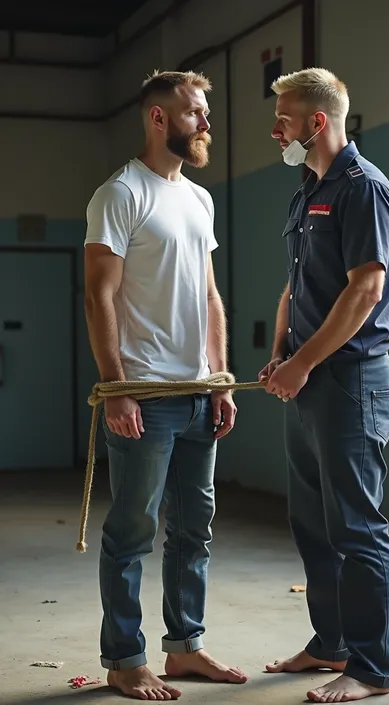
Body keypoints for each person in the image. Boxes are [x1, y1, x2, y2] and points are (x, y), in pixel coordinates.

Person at [84, 69, 248, 701]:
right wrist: (116, 386)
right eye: (195, 112)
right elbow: (99, 296)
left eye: (204, 111)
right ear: (159, 119)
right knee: (131, 533)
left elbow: (208, 298)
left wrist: (221, 381)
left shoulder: (198, 199)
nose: (206, 121)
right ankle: (126, 659)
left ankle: (184, 649)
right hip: (145, 399)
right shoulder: (120, 194)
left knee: (193, 528)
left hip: (198, 394)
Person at [259, 68, 389, 703]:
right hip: (308, 377)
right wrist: (279, 353)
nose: (276, 130)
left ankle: (370, 669)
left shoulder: (362, 189)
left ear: (317, 122)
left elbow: (364, 291)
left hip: (349, 381)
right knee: (313, 523)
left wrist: (305, 363)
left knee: (356, 526)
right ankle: (330, 644)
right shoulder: (306, 190)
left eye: (284, 118)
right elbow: (297, 285)